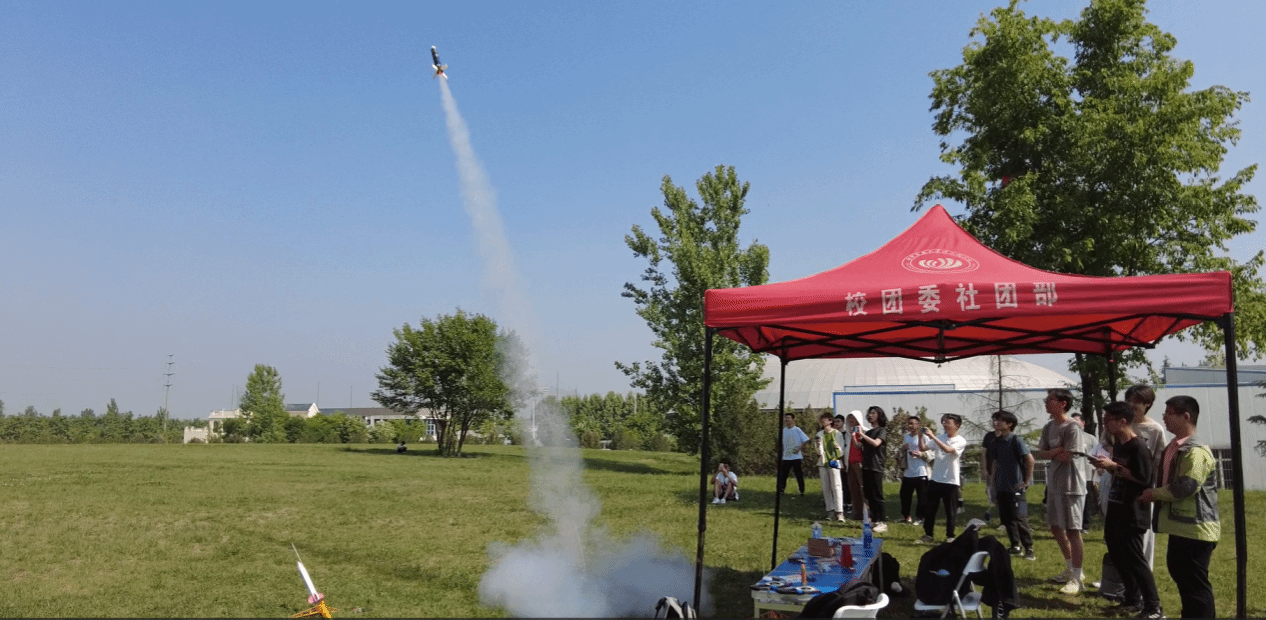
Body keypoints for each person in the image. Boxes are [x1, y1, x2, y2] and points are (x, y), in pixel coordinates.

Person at [1138, 395, 1220, 619]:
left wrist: (1153, 494)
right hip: (1181, 528)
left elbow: (1186, 486)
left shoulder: (1196, 451)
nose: (1164, 417)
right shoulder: (1175, 446)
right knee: (1183, 578)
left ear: (1186, 416)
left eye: (1169, 413)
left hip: (1196, 529)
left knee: (1194, 584)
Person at [1091, 402, 1161, 619]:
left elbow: (1144, 479)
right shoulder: (1119, 445)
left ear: (1122, 421)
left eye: (1108, 420)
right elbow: (1120, 473)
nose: (1105, 425)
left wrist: (1114, 467)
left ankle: (1153, 606)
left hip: (1133, 511)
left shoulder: (1138, 447)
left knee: (1135, 559)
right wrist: (1107, 466)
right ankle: (1132, 598)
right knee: (1117, 554)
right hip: (1116, 506)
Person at [1034, 388, 1088, 595]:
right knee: (1055, 527)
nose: (1046, 403)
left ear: (1063, 403)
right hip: (1055, 484)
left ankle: (1077, 577)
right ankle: (1070, 568)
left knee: (1073, 530)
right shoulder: (1049, 427)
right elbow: (1041, 453)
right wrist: (1056, 451)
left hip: (1071, 486)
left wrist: (1053, 453)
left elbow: (1069, 456)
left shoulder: (1073, 427)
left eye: (1051, 399)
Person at [1124, 384, 1169, 570]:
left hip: (1143, 487)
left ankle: (1144, 574)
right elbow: (1102, 446)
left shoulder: (1155, 429)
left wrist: (1154, 488)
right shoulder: (1121, 424)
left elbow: (1160, 461)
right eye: (1129, 400)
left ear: (1147, 404)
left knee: (1143, 533)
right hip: (1120, 485)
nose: (1131, 405)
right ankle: (1119, 577)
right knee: (1120, 533)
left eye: (1137, 401)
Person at [988, 410, 1036, 561]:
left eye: (999, 420)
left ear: (1009, 424)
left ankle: (1029, 548)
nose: (996, 423)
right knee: (1007, 518)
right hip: (1001, 487)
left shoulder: (1016, 440)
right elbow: (995, 463)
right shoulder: (996, 442)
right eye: (995, 420)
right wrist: (992, 483)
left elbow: (1030, 460)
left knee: (1020, 518)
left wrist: (1026, 481)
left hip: (1016, 488)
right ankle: (1015, 545)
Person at [918, 413, 967, 544]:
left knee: (950, 511)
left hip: (951, 481)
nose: (945, 425)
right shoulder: (940, 437)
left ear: (957, 425)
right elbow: (923, 448)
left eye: (948, 422)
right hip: (935, 479)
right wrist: (920, 436)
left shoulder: (960, 440)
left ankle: (950, 536)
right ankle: (928, 534)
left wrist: (932, 437)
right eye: (944, 422)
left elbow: (948, 450)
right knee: (930, 509)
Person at [856, 406, 889, 532]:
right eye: (869, 413)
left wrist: (862, 434)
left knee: (877, 495)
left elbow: (876, 443)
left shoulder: (882, 431)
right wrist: (855, 435)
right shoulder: (868, 432)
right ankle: (874, 520)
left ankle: (882, 521)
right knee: (868, 494)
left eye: (873, 413)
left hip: (876, 466)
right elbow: (858, 445)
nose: (870, 415)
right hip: (866, 465)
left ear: (879, 415)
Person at [899, 415, 932, 525]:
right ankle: (906, 516)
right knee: (904, 495)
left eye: (913, 423)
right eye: (909, 423)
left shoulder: (924, 437)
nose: (910, 426)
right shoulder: (906, 436)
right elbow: (904, 449)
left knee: (922, 497)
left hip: (921, 471)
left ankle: (920, 517)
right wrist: (904, 448)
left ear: (918, 425)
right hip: (908, 471)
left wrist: (921, 454)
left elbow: (931, 453)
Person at [1069, 412, 1099, 529]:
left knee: (1086, 500)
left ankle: (1085, 524)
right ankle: (1072, 524)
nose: (1074, 423)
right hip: (1070, 474)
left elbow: (1099, 455)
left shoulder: (1090, 438)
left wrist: (1097, 471)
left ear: (1083, 423)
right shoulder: (1067, 437)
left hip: (1086, 475)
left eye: (1077, 421)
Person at [815, 411, 845, 521]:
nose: (823, 421)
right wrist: (818, 445)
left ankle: (839, 512)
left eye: (825, 419)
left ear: (830, 421)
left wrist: (838, 448)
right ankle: (830, 511)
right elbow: (817, 452)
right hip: (823, 462)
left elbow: (841, 451)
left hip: (833, 460)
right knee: (826, 487)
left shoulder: (837, 434)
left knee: (836, 486)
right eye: (822, 419)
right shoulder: (819, 434)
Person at [777, 413, 811, 497]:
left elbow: (806, 439)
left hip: (796, 457)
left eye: (789, 418)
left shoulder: (797, 430)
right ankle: (781, 490)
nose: (787, 420)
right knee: (783, 475)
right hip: (786, 457)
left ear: (793, 419)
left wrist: (800, 448)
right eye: (786, 418)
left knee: (798, 474)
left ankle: (801, 490)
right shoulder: (783, 431)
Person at [844, 411, 869, 521]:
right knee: (853, 489)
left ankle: (867, 513)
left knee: (863, 489)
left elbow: (861, 446)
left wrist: (856, 435)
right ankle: (857, 513)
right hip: (850, 463)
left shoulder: (865, 431)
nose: (851, 420)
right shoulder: (847, 433)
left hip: (860, 463)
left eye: (853, 418)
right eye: (849, 418)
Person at [832, 414, 854, 513]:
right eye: (835, 421)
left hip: (844, 460)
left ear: (843, 423)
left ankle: (849, 503)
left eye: (838, 421)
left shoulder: (846, 434)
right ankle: (839, 503)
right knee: (836, 483)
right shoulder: (833, 434)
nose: (836, 423)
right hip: (834, 460)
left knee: (846, 483)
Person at [981, 424, 999, 522]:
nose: (995, 423)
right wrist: (984, 468)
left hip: (1002, 470)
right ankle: (993, 509)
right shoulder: (989, 436)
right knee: (991, 491)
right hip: (990, 469)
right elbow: (984, 453)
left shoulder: (1008, 437)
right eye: (994, 420)